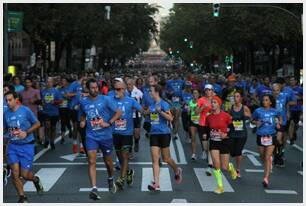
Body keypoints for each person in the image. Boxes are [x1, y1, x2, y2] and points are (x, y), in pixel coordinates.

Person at [79, 78, 122, 200]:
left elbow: (118, 112)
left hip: (106, 136)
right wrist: (82, 121)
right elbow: (82, 114)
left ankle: (110, 178)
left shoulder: (105, 99)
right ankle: (94, 188)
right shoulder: (84, 102)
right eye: (92, 88)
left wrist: (109, 123)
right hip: (91, 135)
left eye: (96, 87)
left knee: (108, 162)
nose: (95, 89)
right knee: (92, 161)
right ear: (88, 89)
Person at [4, 91, 43, 203]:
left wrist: (26, 132)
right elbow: (5, 129)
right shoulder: (5, 113)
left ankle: (35, 180)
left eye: (10, 100)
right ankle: (22, 197)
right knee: (15, 173)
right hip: (13, 146)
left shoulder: (25, 110)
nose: (8, 102)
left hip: (26, 146)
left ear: (16, 99)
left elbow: (37, 123)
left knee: (25, 175)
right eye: (6, 100)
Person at [147, 84, 182, 191]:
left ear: (156, 92)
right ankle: (156, 183)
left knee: (166, 159)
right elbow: (151, 117)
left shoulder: (164, 104)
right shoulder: (151, 104)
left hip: (164, 133)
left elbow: (170, 118)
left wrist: (160, 111)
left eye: (151, 91)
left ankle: (177, 170)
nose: (149, 93)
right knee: (155, 159)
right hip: (154, 134)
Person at [112, 81, 143, 190]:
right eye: (115, 89)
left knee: (125, 156)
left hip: (127, 133)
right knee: (120, 157)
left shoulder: (131, 101)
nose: (117, 91)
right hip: (115, 133)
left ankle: (121, 178)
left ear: (124, 90)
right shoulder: (111, 100)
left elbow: (142, 110)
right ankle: (129, 171)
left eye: (119, 89)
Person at [206, 95, 237, 194]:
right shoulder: (209, 117)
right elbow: (207, 128)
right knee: (216, 165)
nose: (213, 104)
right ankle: (220, 186)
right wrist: (205, 135)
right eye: (212, 102)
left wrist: (226, 134)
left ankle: (230, 167)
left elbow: (232, 128)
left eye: (215, 102)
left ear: (219, 104)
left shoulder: (226, 115)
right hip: (214, 142)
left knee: (224, 166)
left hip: (224, 141)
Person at [252, 94, 282, 188]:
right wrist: (256, 122)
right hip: (260, 136)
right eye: (263, 100)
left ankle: (266, 178)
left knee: (267, 156)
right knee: (262, 157)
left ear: (270, 102)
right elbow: (252, 120)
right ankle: (268, 164)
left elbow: (280, 118)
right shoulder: (258, 111)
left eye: (266, 100)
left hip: (271, 136)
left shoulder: (275, 111)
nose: (264, 101)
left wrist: (278, 124)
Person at [229, 91, 251, 177]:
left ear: (241, 98)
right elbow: (227, 118)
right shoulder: (231, 107)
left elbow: (250, 117)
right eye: (234, 97)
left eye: (237, 96)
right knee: (232, 152)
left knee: (238, 152)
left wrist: (246, 116)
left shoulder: (244, 108)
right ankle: (231, 165)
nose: (236, 98)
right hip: (232, 132)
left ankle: (237, 170)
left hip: (242, 134)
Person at [196, 84, 213, 175]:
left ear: (212, 91)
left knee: (211, 145)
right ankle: (207, 155)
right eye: (206, 90)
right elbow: (196, 112)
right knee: (205, 146)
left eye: (209, 90)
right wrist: (203, 107)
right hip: (202, 125)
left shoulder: (215, 100)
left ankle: (210, 165)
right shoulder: (201, 100)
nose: (208, 91)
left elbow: (219, 110)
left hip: (213, 125)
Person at [41, 77, 63, 149]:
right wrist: (42, 103)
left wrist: (54, 102)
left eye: (50, 82)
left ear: (52, 83)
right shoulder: (42, 91)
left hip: (54, 112)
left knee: (53, 128)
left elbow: (61, 100)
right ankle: (46, 140)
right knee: (47, 126)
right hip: (46, 112)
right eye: (47, 81)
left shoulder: (56, 91)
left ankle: (52, 141)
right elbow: (40, 100)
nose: (48, 83)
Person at [126, 78, 143, 153]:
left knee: (136, 134)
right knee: (129, 133)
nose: (128, 86)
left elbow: (142, 103)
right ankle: (129, 150)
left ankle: (136, 142)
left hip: (136, 115)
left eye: (129, 84)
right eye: (127, 84)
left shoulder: (138, 92)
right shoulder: (124, 92)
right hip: (128, 116)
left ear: (133, 84)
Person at [58, 77, 72, 144]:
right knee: (62, 123)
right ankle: (62, 138)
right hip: (61, 108)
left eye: (64, 81)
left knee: (67, 122)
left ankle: (70, 129)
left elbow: (70, 98)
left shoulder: (69, 89)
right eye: (62, 81)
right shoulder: (59, 89)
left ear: (66, 82)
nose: (63, 82)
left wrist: (66, 96)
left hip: (67, 107)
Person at [288, 76, 303, 145]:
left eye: (293, 80)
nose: (291, 81)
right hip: (290, 109)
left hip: (298, 109)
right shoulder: (288, 89)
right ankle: (291, 139)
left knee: (296, 124)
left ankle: (294, 132)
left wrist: (299, 97)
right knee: (291, 123)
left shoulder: (300, 89)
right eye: (290, 80)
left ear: (296, 81)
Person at [187, 89, 200, 160]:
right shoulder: (190, 102)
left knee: (202, 138)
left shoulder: (201, 101)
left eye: (196, 93)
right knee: (193, 137)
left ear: (198, 94)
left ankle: (205, 150)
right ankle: (194, 154)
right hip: (193, 121)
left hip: (200, 121)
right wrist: (188, 110)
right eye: (193, 93)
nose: (195, 95)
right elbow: (188, 113)